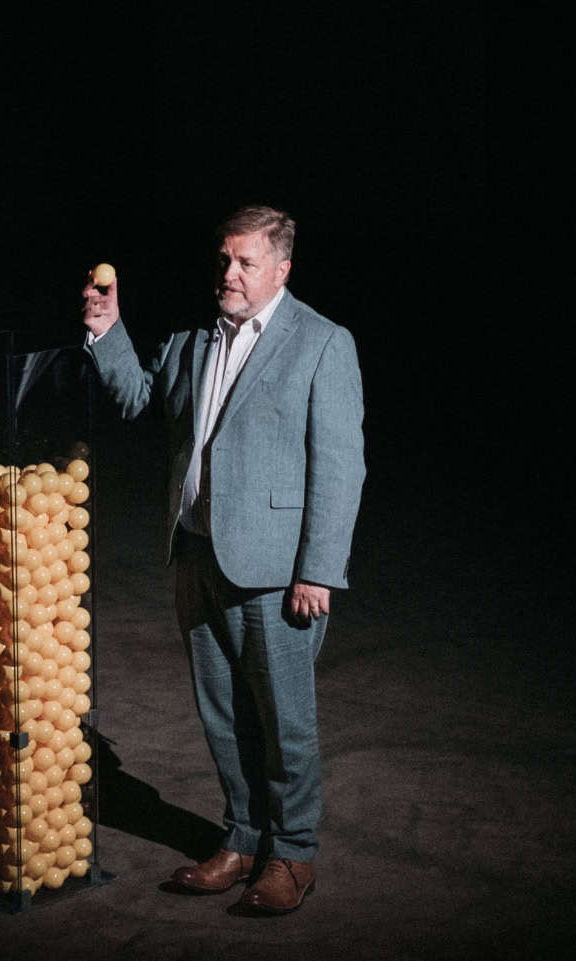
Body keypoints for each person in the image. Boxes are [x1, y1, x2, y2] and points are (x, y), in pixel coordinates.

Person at [80, 205, 365, 914]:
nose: (228, 273)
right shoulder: (192, 340)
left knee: (283, 719)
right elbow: (138, 400)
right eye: (223, 259)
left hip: (276, 572)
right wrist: (107, 332)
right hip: (197, 557)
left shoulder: (323, 344)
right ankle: (241, 838)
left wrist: (319, 569)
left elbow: (339, 465)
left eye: (244, 262)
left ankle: (292, 854)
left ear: (281, 269)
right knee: (221, 713)